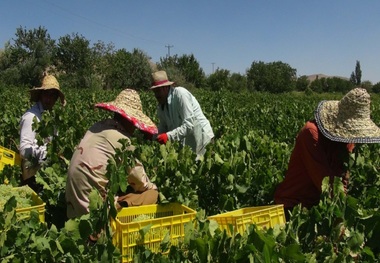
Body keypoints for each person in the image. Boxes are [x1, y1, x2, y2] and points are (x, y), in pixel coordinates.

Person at [274, 87, 380, 220]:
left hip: (323, 206)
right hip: (294, 207)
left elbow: (342, 177)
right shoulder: (311, 134)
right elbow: (326, 182)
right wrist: (344, 215)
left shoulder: (347, 138)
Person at [65, 89, 159, 219]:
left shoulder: (97, 126)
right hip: (94, 214)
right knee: (152, 194)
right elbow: (141, 183)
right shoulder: (122, 141)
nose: (135, 128)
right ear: (129, 120)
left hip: (72, 209)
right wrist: (153, 187)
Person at [150, 70, 214, 158]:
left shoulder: (180, 95)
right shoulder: (161, 106)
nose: (156, 94)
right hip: (189, 143)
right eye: (154, 91)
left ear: (165, 88)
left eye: (158, 90)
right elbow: (163, 127)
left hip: (203, 138)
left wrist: (167, 136)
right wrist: (154, 137)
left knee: (205, 167)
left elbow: (189, 125)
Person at [19, 74, 66, 192]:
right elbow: (24, 150)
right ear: (40, 95)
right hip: (32, 177)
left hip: (46, 173)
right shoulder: (31, 117)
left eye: (53, 95)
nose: (49, 99)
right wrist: (48, 155)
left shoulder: (50, 117)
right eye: (46, 94)